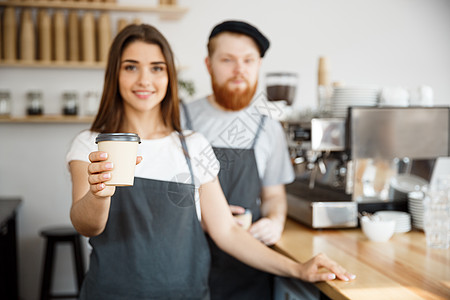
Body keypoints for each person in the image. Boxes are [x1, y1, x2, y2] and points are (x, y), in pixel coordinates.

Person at [67, 24, 355, 300]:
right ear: (114, 75)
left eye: (157, 68)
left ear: (169, 77)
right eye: (131, 67)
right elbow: (86, 225)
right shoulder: (90, 142)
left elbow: (226, 231)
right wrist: (98, 193)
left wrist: (298, 269)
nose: (145, 80)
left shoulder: (192, 144)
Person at [180, 20, 295, 299]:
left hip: (249, 269)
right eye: (227, 60)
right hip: (187, 266)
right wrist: (205, 217)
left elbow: (274, 194)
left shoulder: (268, 124)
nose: (239, 69)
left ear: (258, 65)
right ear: (209, 65)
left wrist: (275, 220)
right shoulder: (181, 117)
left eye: (248, 60)